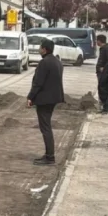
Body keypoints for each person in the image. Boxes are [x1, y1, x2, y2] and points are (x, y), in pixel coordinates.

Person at [27, 38, 64, 166]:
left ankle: (49, 157)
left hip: (44, 100)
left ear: (44, 49)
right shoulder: (57, 62)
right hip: (54, 98)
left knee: (45, 128)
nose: (39, 49)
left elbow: (38, 83)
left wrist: (30, 97)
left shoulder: (44, 63)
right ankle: (49, 155)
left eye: (40, 47)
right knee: (46, 126)